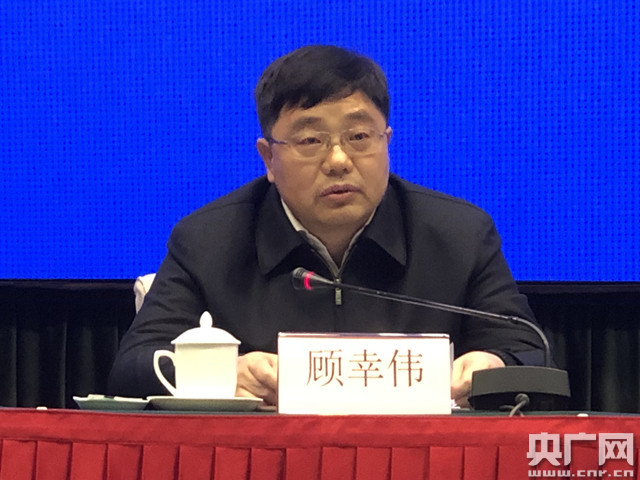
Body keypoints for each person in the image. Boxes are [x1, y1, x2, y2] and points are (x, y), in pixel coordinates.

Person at [108, 45, 545, 407]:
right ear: (268, 158)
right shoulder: (208, 240)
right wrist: (222, 374)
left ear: (386, 142)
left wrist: (494, 365)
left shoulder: (459, 234)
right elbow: (132, 366)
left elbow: (532, 354)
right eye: (310, 140)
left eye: (359, 137)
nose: (338, 161)